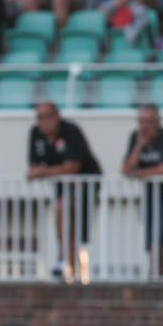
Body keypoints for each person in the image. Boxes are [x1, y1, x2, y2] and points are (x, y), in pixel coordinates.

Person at [27, 101, 102, 282]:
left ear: (57, 116)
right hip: (62, 186)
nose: (44, 122)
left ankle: (73, 265)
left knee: (74, 224)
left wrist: (44, 172)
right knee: (63, 214)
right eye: (40, 117)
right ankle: (67, 262)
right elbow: (32, 169)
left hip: (86, 184)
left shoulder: (70, 131)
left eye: (47, 116)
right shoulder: (35, 134)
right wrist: (52, 171)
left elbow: (72, 167)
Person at [122, 104, 163, 278]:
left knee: (159, 236)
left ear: (157, 122)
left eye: (149, 122)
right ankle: (154, 274)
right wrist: (138, 146)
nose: (145, 126)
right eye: (142, 122)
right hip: (149, 195)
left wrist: (140, 173)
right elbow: (126, 170)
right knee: (151, 237)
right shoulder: (136, 138)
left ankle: (157, 275)